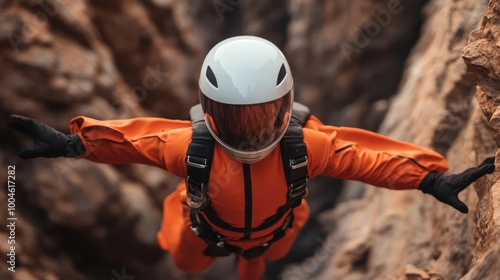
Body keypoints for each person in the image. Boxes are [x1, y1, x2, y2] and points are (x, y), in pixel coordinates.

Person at [8, 36, 495, 280]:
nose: (251, 131)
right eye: (239, 118)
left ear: (285, 106)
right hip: (204, 233)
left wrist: (431, 178)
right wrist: (73, 141)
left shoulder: (304, 145)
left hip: (272, 233)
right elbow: (135, 140)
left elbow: (367, 158)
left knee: (259, 260)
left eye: (261, 116)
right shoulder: (195, 147)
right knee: (189, 261)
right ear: (210, 112)